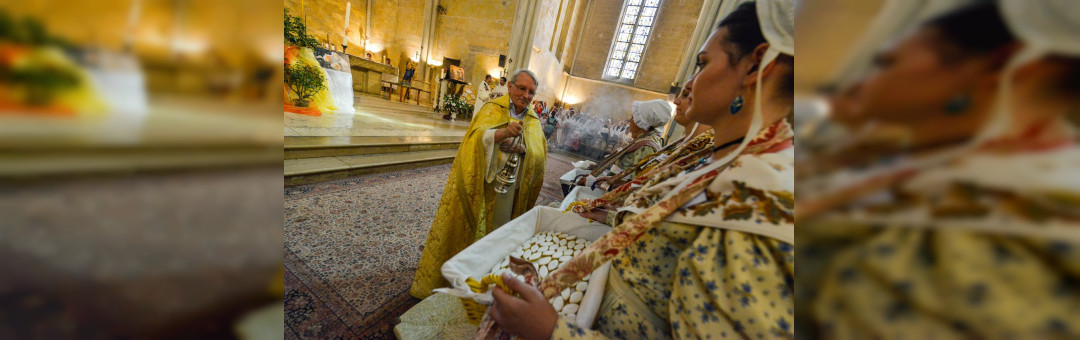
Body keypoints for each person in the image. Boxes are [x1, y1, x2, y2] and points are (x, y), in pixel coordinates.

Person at [488, 2, 796, 338]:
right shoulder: (724, 158)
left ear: (755, 67)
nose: (690, 84)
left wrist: (552, 331)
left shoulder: (764, 206)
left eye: (703, 63)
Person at [797, 2, 1080, 338]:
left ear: (998, 64)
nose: (857, 84)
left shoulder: (1001, 233)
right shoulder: (912, 164)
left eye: (886, 63)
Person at [410, 69, 549, 299]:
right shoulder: (492, 109)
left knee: (500, 236)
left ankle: (487, 278)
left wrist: (525, 150)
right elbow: (474, 139)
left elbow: (540, 156)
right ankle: (461, 276)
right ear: (511, 86)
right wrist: (500, 134)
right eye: (522, 88)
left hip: (511, 193)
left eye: (531, 92)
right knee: (476, 233)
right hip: (485, 189)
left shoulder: (533, 121)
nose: (526, 95)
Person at [571, 99, 670, 188]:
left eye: (633, 116)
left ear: (642, 122)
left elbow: (637, 184)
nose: (630, 120)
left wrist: (596, 183)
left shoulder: (646, 146)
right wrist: (600, 169)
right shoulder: (642, 139)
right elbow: (624, 168)